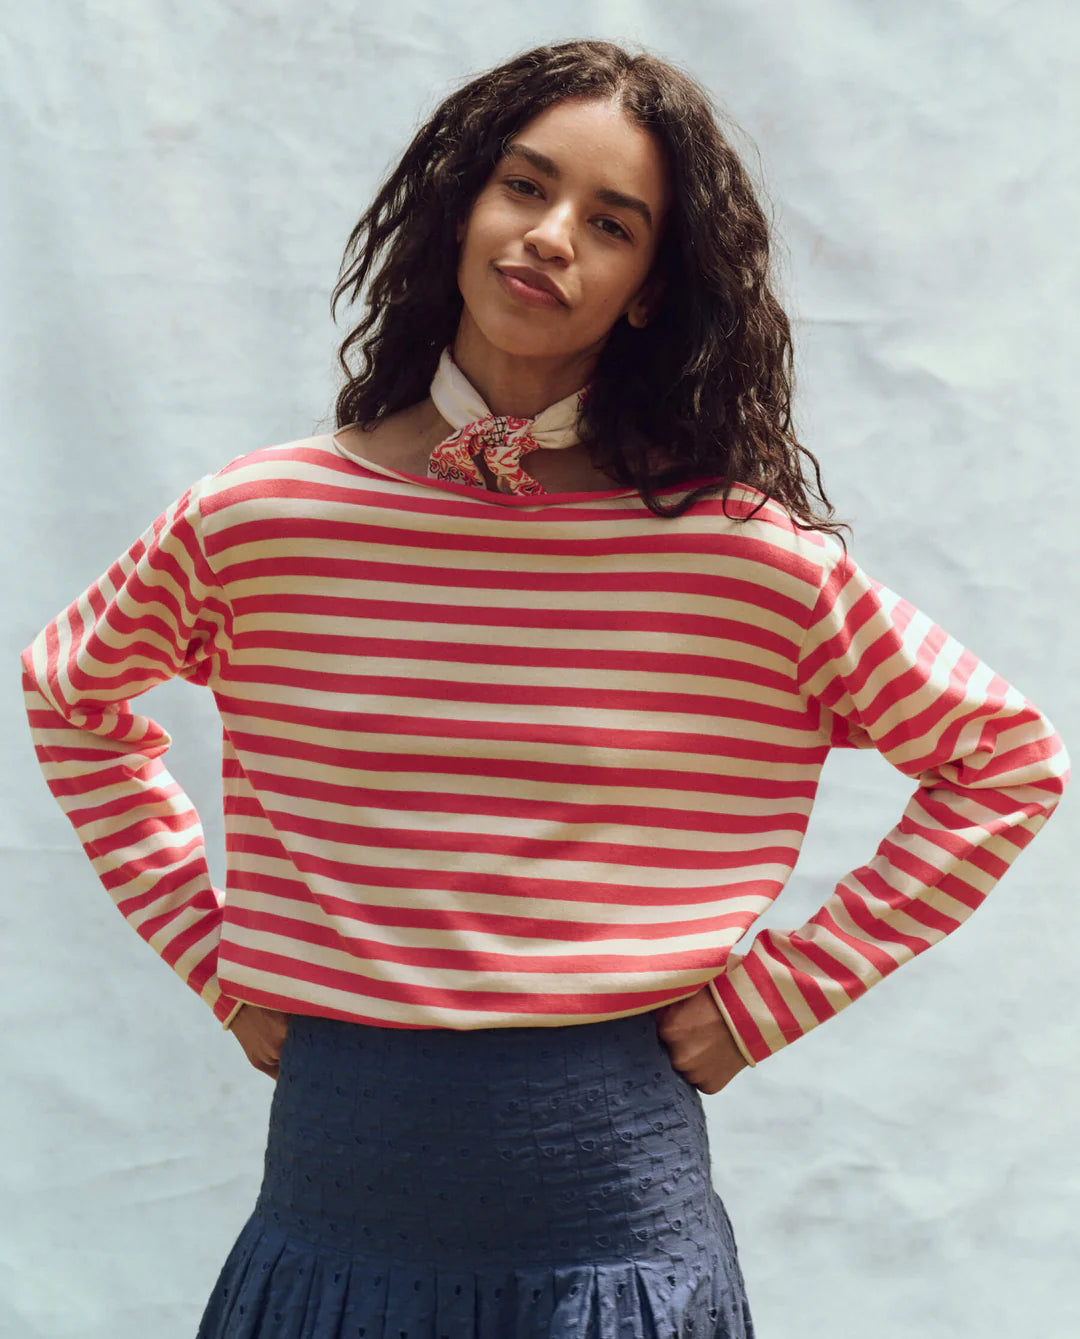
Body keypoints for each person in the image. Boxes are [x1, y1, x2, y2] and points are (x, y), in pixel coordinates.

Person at [20, 37, 1068, 1339]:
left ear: (646, 289)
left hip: (614, 1236)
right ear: (466, 206)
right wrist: (210, 954)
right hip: (333, 1215)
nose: (552, 234)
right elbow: (70, 695)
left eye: (612, 222)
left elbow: (1006, 758)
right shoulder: (264, 518)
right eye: (526, 185)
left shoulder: (738, 558)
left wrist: (772, 1001)